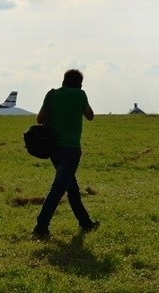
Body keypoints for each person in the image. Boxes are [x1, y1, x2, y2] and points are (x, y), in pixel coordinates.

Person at [33, 69, 99, 239]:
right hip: (71, 149)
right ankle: (41, 226)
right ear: (80, 84)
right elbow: (90, 116)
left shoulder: (52, 94)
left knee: (72, 187)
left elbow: (40, 119)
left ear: (63, 81)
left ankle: (85, 223)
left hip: (53, 148)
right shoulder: (80, 94)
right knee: (59, 188)